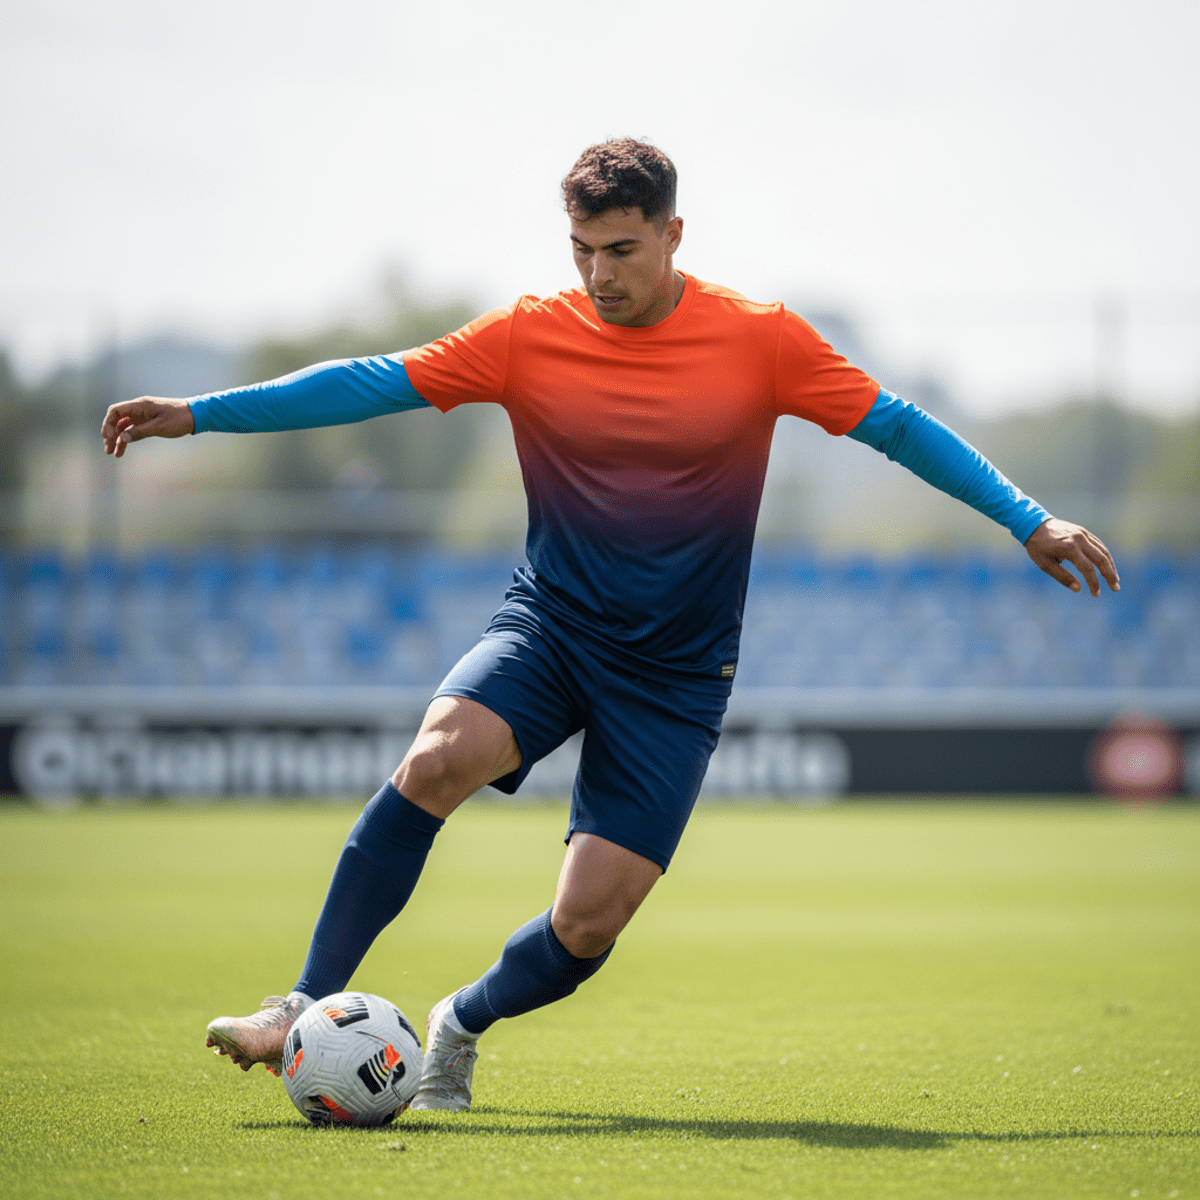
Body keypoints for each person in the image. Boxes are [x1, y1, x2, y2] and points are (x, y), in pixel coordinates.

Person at [101, 138, 1119, 1112]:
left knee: (588, 924)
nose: (599, 274)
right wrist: (201, 412)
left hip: (676, 676)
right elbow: (373, 381)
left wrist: (1029, 519)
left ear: (676, 234)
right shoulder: (529, 333)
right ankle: (298, 1006)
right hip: (550, 628)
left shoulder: (760, 339)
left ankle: (460, 1021)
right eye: (581, 251)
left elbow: (894, 424)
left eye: (622, 250)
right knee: (436, 758)